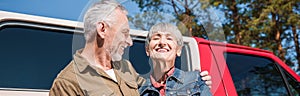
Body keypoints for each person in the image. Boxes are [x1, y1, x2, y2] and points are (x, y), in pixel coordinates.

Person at [50, 0, 211, 96]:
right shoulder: (67, 83)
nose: (129, 42)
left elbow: (154, 85)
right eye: (125, 33)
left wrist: (195, 81)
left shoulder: (124, 68)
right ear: (102, 29)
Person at [139, 23, 212, 96]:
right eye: (156, 38)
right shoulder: (139, 89)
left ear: (178, 50)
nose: (162, 42)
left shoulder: (195, 80)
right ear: (147, 50)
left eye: (169, 38)